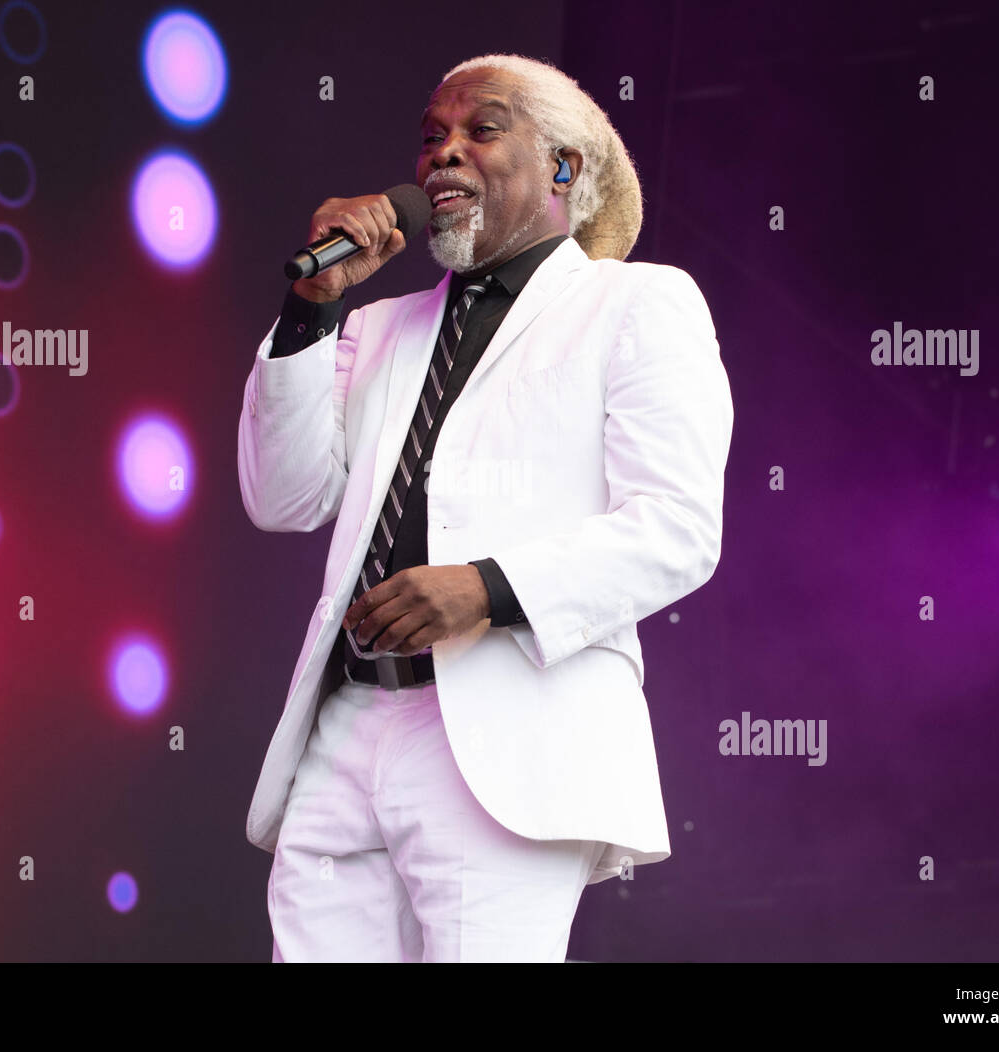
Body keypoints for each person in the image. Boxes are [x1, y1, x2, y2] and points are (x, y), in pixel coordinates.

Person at [237, 52, 733, 962]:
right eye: (432, 138)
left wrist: (487, 589)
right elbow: (283, 498)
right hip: (346, 724)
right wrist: (309, 311)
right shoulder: (376, 327)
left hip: (505, 735)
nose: (443, 156)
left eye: (481, 130)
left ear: (563, 168)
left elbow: (676, 527)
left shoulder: (636, 304)